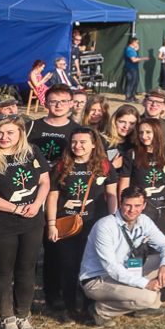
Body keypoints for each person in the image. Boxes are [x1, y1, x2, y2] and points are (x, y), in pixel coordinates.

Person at [78, 188, 165, 328]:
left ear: (144, 205)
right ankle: (100, 310)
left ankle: (145, 306)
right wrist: (145, 284)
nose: (132, 210)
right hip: (98, 279)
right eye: (128, 205)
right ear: (121, 204)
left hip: (129, 268)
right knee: (147, 296)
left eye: (137, 206)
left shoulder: (144, 220)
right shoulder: (105, 225)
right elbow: (112, 268)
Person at [0, 116, 49, 329]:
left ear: (20, 133)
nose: (4, 137)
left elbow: (44, 181)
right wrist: (14, 208)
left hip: (31, 221)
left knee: (27, 269)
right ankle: (7, 319)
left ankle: (22, 314)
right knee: (2, 272)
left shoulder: (32, 152)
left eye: (10, 133)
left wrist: (37, 203)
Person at [45, 127, 116, 318]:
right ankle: (70, 306)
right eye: (74, 142)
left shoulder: (104, 166)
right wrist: (52, 224)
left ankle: (88, 305)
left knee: (91, 265)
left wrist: (114, 221)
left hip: (94, 224)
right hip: (66, 225)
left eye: (83, 142)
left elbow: (111, 195)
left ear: (94, 144)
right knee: (68, 265)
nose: (78, 146)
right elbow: (52, 197)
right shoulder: (62, 166)